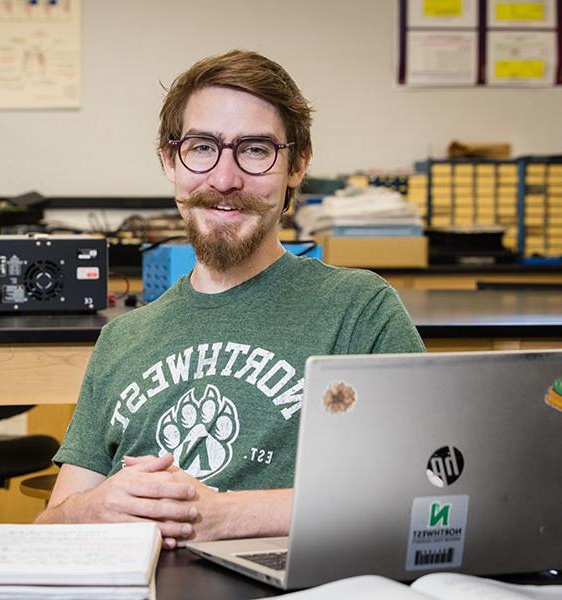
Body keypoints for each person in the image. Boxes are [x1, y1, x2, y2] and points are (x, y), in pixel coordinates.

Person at [35, 49, 425, 549]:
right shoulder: (121, 338)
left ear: (297, 164)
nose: (224, 179)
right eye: (202, 147)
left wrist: (221, 515)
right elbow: (47, 528)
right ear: (168, 160)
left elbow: (420, 487)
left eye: (256, 150)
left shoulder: (358, 308)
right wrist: (94, 507)